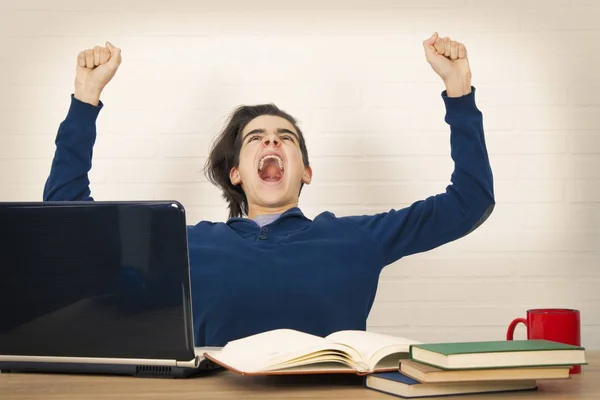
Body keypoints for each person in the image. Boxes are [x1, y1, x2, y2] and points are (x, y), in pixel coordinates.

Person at [43, 33, 495, 347]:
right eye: (255, 138)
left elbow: (469, 201)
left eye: (286, 137)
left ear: (306, 171)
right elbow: (69, 222)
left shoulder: (359, 238)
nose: (272, 141)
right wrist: (86, 98)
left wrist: (458, 90)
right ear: (236, 172)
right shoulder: (187, 243)